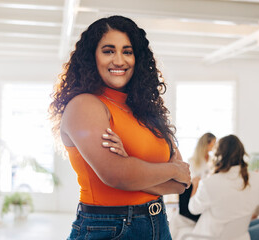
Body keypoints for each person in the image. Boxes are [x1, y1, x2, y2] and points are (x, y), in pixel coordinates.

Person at [49, 15, 191, 239]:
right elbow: (116, 176)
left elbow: (181, 185)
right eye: (108, 51)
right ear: (92, 57)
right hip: (109, 228)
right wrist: (171, 170)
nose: (119, 60)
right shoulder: (85, 105)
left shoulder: (146, 111)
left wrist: (131, 168)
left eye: (127, 51)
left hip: (159, 224)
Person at [183, 135, 259, 240]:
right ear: (242, 153)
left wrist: (195, 186)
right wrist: (253, 213)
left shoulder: (209, 183)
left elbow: (193, 209)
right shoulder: (256, 178)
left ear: (218, 155)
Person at [169, 133, 216, 238]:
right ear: (207, 144)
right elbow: (189, 181)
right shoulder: (193, 161)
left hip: (206, 191)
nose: (214, 146)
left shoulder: (213, 161)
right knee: (175, 222)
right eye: (213, 143)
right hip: (193, 191)